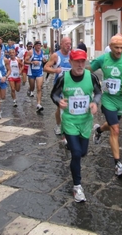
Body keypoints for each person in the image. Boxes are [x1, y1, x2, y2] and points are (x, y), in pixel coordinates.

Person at [50, 49, 102, 202]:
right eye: (77, 61)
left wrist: (95, 102)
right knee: (77, 153)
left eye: (82, 61)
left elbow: (98, 92)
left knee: (83, 152)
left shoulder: (91, 77)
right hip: (70, 121)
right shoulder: (63, 77)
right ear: (71, 62)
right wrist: (58, 101)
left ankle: (73, 150)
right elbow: (53, 94)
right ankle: (77, 187)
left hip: (86, 122)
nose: (80, 64)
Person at [90, 34, 122, 177]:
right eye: (116, 47)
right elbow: (88, 71)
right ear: (110, 47)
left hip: (120, 98)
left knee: (111, 125)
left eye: (121, 47)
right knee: (115, 129)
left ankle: (98, 130)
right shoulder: (103, 59)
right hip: (108, 99)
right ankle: (118, 164)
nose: (119, 50)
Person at [44, 37, 72, 135]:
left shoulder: (72, 55)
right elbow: (46, 67)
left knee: (69, 106)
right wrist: (55, 70)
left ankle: (69, 125)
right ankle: (59, 125)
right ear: (61, 44)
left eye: (70, 44)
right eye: (66, 44)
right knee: (60, 107)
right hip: (59, 86)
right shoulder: (56, 56)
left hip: (70, 85)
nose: (69, 46)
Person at [24, 40, 45, 112]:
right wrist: (32, 62)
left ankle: (38, 104)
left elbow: (43, 60)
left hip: (39, 72)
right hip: (31, 72)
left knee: (39, 88)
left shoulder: (42, 52)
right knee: (32, 87)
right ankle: (30, 90)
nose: (39, 47)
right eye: (37, 45)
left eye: (40, 45)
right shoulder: (31, 52)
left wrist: (44, 60)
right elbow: (25, 61)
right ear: (35, 46)